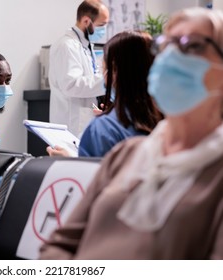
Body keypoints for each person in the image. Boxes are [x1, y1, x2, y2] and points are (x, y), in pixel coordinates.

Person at [40, 7, 223, 259]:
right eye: (164, 45)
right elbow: (58, 245)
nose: (169, 57)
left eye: (190, 46)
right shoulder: (126, 155)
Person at [47, 30, 163, 158]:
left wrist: (71, 160)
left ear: (114, 72)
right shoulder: (168, 119)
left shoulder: (103, 129)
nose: (102, 75)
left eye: (103, 68)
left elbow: (93, 173)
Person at [49, 0, 110, 137]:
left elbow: (89, 82)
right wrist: (107, 80)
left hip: (84, 121)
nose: (104, 30)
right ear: (86, 21)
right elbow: (71, 85)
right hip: (71, 124)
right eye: (101, 25)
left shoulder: (85, 45)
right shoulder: (67, 46)